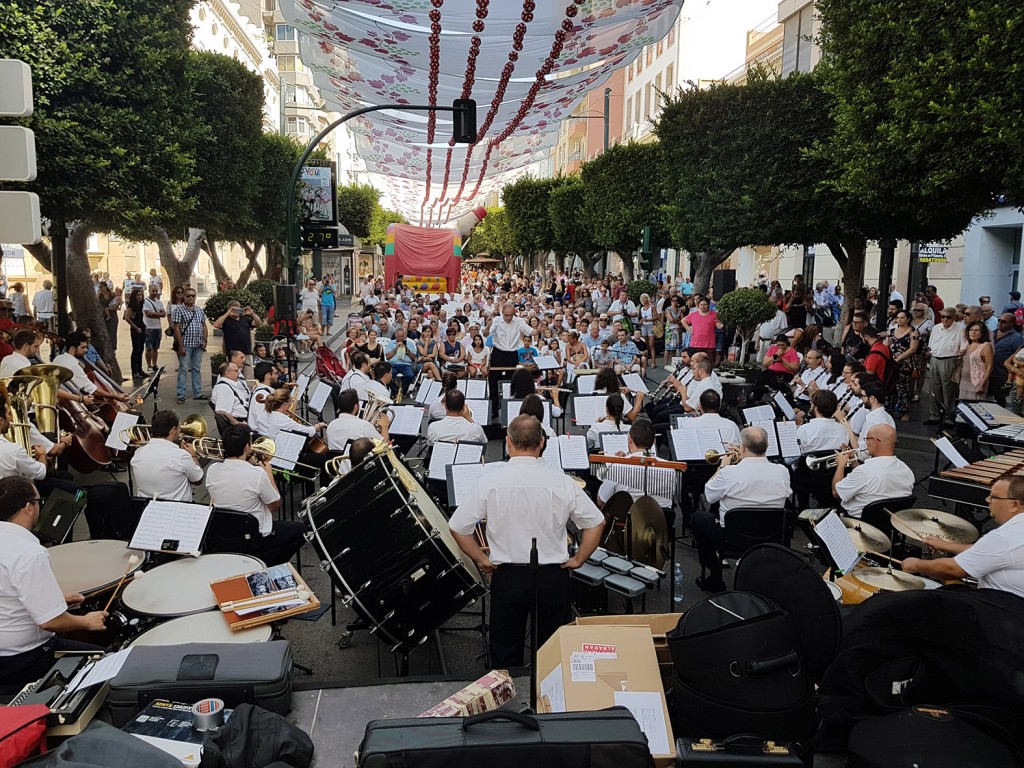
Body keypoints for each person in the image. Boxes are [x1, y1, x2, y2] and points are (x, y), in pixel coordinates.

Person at [448, 415, 605, 667]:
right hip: (553, 575)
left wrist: (482, 560)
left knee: (505, 653)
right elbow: (596, 523)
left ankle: (509, 703)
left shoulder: (489, 481)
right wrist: (578, 559)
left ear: (508, 443)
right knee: (553, 655)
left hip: (508, 576)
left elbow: (457, 527)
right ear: (542, 442)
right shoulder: (563, 482)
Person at [0, 477, 109, 689]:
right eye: (38, 501)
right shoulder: (29, 554)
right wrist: (86, 622)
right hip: (22, 659)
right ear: (28, 507)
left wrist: (57, 600)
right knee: (106, 661)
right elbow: (50, 622)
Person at [693, 426, 792, 592]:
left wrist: (722, 467)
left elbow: (709, 495)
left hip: (732, 538)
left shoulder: (729, 473)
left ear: (743, 447)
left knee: (698, 518)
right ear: (766, 447)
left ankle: (714, 576)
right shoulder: (782, 472)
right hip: (771, 535)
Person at [902, 472, 1024, 597]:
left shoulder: (1004, 537)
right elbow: (992, 551)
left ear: (1014, 505)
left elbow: (951, 570)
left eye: (994, 497)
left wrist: (916, 564)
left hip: (1005, 608)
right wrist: (949, 546)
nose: (987, 500)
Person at [205, 424, 305, 566]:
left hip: (224, 535)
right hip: (254, 537)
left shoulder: (212, 470)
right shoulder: (258, 474)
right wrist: (268, 473)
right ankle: (266, 563)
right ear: (247, 447)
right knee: (301, 530)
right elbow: (275, 505)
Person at [832, 424, 914, 519]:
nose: (866, 443)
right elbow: (869, 476)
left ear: (875, 441)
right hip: (890, 524)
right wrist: (853, 461)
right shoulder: (907, 470)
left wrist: (841, 465)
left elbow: (836, 493)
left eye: (866, 439)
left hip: (857, 524)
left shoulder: (864, 472)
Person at [130, 410, 204, 501]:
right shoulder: (180, 456)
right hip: (177, 509)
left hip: (147, 507)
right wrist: (193, 456)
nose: (180, 431)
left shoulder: (138, 453)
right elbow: (198, 479)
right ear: (173, 430)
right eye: (178, 428)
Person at [484, 303, 532, 420]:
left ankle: (512, 409)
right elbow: (486, 334)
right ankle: (494, 410)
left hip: (512, 354)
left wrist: (540, 329)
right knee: (493, 380)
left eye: (511, 315)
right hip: (498, 353)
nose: (509, 317)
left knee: (513, 381)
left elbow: (530, 332)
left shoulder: (518, 321)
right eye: (506, 315)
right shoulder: (496, 320)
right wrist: (488, 325)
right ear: (502, 313)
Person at [924, 308, 964, 424]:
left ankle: (948, 418)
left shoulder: (961, 329)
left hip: (950, 359)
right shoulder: (936, 328)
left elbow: (963, 347)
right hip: (935, 358)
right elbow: (931, 344)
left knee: (948, 390)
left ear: (954, 317)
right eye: (943, 317)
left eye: (948, 317)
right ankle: (934, 416)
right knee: (933, 388)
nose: (945, 319)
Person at [172, 287, 208, 404]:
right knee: (183, 369)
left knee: (196, 369)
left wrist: (205, 340)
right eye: (188, 296)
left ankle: (197, 392)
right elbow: (176, 328)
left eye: (193, 296)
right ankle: (181, 394)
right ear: (184, 297)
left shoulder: (199, 310)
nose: (191, 298)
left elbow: (204, 325)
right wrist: (181, 345)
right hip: (186, 344)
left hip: (198, 344)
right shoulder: (179, 310)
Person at [212, 300, 261, 376]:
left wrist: (252, 313)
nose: (236, 311)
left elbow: (258, 322)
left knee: (249, 376)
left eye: (238, 309)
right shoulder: (226, 321)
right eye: (234, 310)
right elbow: (216, 325)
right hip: (234, 354)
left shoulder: (245, 319)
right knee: (235, 375)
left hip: (247, 352)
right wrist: (228, 313)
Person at [261, 388, 325, 440]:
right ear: (284, 404)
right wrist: (318, 425)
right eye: (291, 400)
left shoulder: (262, 415)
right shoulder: (283, 420)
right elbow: (308, 432)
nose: (292, 402)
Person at [988, 313, 1022, 406]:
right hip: (989, 372)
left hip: (1002, 375)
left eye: (1003, 321)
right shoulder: (992, 333)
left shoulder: (1016, 338)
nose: (1000, 323)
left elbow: (1017, 357)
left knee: (1000, 402)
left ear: (1011, 324)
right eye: (999, 320)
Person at [211, 360, 252, 432]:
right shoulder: (224, 388)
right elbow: (221, 412)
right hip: (242, 423)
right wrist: (237, 423)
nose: (239, 373)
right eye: (236, 371)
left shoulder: (229, 385)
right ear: (228, 373)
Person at [958, 320, 994, 401]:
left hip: (977, 383)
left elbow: (990, 367)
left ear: (982, 333)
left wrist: (982, 384)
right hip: (964, 382)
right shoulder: (968, 345)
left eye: (977, 330)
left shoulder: (986, 346)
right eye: (971, 330)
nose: (973, 332)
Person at [123, 287, 146, 379]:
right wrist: (135, 327)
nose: (139, 297)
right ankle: (134, 371)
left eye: (140, 295)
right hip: (136, 329)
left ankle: (140, 369)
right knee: (136, 349)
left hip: (142, 328)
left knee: (141, 349)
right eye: (137, 295)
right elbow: (127, 317)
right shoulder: (131, 306)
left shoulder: (141, 305)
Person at [142, 283, 165, 373]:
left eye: (156, 291)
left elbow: (163, 314)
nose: (155, 292)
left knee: (155, 347)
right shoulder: (145, 302)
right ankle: (149, 365)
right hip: (149, 327)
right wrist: (158, 314)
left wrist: (155, 314)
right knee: (148, 347)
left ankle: (155, 364)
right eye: (153, 291)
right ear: (149, 290)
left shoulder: (159, 302)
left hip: (157, 327)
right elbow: (147, 314)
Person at [248, 362, 276, 434]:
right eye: (275, 373)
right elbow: (263, 423)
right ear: (268, 375)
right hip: (261, 436)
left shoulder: (263, 391)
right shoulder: (263, 395)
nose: (277, 376)